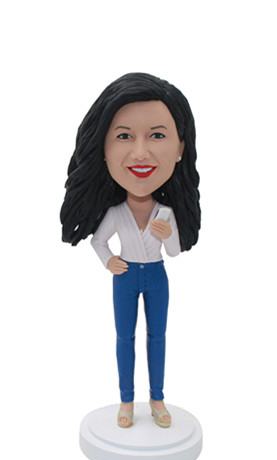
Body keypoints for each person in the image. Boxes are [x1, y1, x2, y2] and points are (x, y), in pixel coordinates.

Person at [61, 73, 201, 428]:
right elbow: (98, 241)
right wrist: (109, 260)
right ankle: (126, 400)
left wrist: (168, 234)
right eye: (124, 136)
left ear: (180, 148)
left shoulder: (165, 213)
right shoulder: (116, 213)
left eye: (157, 135)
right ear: (103, 148)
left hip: (156, 275)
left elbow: (174, 252)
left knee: (158, 337)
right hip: (125, 276)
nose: (140, 152)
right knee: (125, 338)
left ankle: (157, 398)